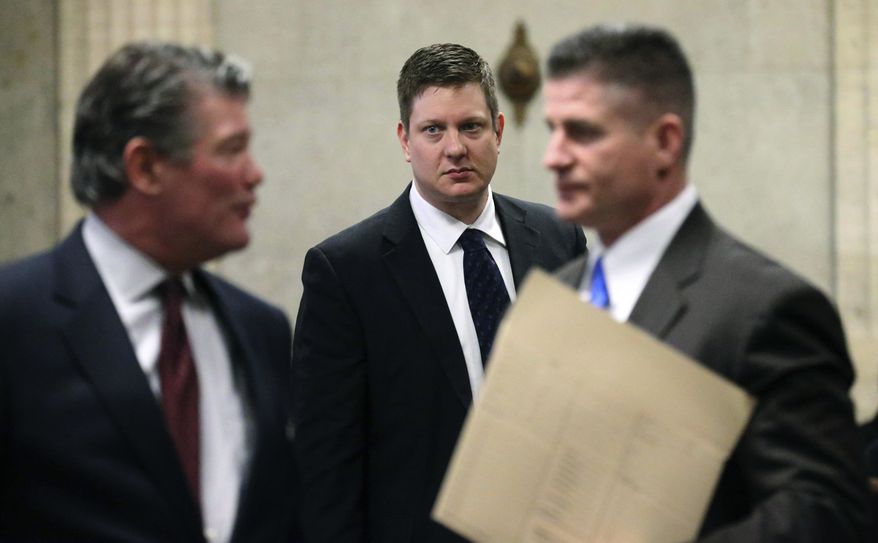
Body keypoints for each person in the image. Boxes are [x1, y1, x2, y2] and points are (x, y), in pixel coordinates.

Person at [543, 23, 869, 541]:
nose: (554, 157)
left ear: (665, 142)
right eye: (551, 130)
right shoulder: (554, 298)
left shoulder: (766, 308)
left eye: (583, 132)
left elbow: (826, 511)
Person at [0, 42, 300, 542]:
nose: (255, 174)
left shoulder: (261, 329)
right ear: (145, 166)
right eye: (231, 149)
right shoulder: (14, 319)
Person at [292, 43, 586, 542]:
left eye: (470, 127)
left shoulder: (560, 237)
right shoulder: (344, 272)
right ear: (406, 140)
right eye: (434, 130)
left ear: (498, 130)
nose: (455, 148)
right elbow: (326, 465)